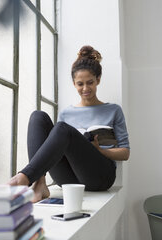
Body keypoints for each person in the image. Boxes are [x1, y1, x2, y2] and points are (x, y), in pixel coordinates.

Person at [9, 45, 130, 202]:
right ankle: (40, 184)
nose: (85, 88)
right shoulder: (66, 113)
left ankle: (24, 177)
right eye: (80, 84)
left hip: (100, 177)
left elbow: (125, 153)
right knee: (38, 117)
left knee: (62, 129)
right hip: (68, 179)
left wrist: (99, 150)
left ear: (98, 80)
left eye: (90, 82)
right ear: (74, 83)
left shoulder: (113, 110)